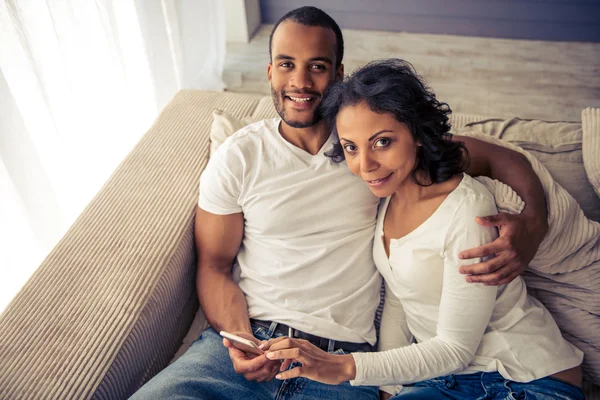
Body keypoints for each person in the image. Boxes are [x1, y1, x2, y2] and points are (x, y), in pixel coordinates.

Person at [130, 7, 550, 400]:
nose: (300, 81)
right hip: (247, 345)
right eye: (286, 64)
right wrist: (242, 339)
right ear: (270, 70)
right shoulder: (239, 156)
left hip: (342, 360)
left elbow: (498, 157)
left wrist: (534, 218)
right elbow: (214, 265)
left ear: (338, 74)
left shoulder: (375, 144)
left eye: (317, 66)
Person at [261, 59, 584, 400]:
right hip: (446, 379)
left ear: (417, 134)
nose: (365, 165)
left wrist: (346, 367)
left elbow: (455, 348)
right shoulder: (386, 198)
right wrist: (387, 390)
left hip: (522, 377)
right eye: (351, 147)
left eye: (382, 142)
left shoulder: (467, 211)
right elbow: (401, 302)